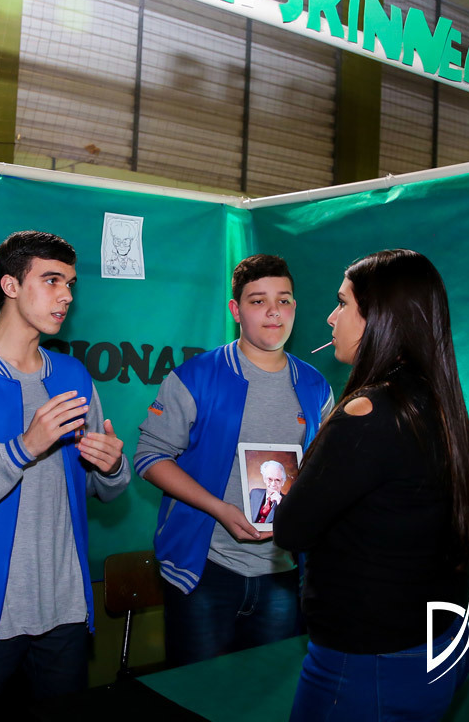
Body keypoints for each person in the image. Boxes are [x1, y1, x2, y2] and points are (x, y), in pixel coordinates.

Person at [0, 230, 129, 720]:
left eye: (71, 284)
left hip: (65, 611)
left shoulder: (74, 376)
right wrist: (22, 449)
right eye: (52, 280)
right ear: (10, 285)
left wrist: (112, 466)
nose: (66, 296)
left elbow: (99, 487)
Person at [274, 249, 469, 721]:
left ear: (379, 318)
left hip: (373, 658)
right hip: (439, 639)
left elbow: (291, 528)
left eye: (343, 303)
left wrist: (296, 488)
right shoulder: (434, 401)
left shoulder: (368, 411)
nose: (331, 317)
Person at [135, 254, 334, 666]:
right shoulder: (195, 376)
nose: (273, 311)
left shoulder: (316, 387)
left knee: (266, 691)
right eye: (258, 301)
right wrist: (218, 508)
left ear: (295, 307)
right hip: (204, 570)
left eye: (284, 300)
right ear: (236, 310)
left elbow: (323, 472)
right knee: (198, 691)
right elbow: (149, 456)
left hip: (282, 572)